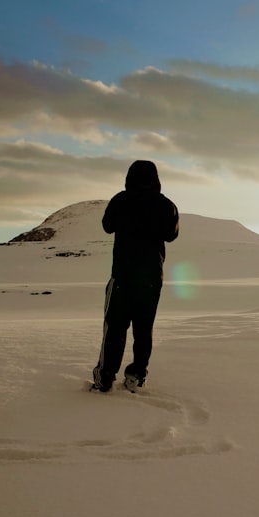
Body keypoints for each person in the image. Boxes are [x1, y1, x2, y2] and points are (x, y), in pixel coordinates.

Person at [90, 160, 179, 393]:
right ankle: (136, 375)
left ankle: (105, 377)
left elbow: (107, 225)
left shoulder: (121, 200)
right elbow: (172, 234)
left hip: (122, 276)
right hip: (151, 278)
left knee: (114, 328)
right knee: (143, 329)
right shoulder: (165, 205)